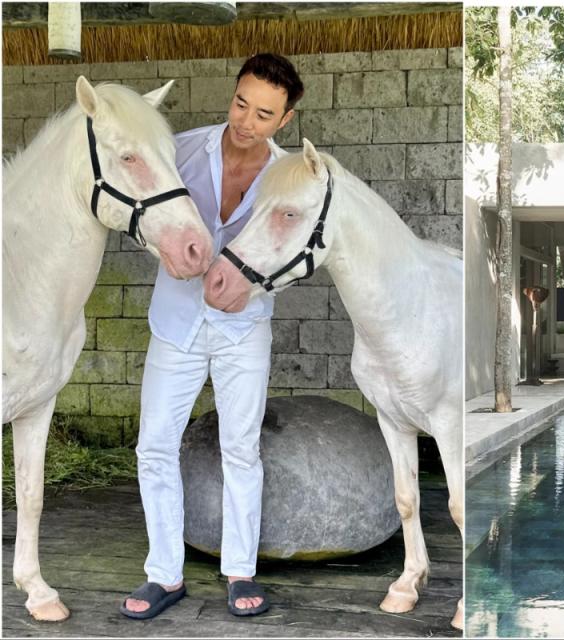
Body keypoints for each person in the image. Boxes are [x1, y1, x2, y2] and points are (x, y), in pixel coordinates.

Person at [120, 53, 304, 620]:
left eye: (264, 113)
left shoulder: (287, 175)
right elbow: (145, 216)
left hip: (243, 330)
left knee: (240, 450)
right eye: (241, 102)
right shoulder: (179, 150)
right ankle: (164, 575)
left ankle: (240, 571)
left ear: (286, 120)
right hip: (176, 322)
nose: (246, 120)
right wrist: (159, 251)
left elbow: (292, 255)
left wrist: (251, 288)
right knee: (154, 446)